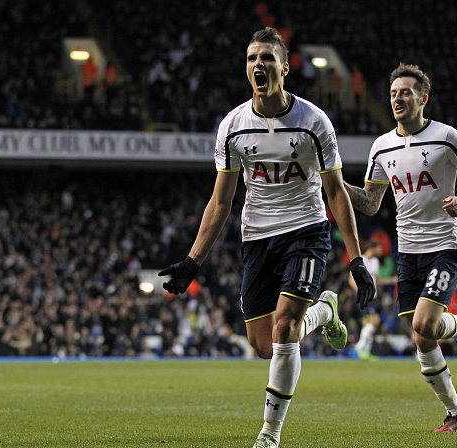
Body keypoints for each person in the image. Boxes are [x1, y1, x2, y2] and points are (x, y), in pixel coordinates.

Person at [158, 27, 375, 448]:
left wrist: (356, 259)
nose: (259, 65)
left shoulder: (314, 122)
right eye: (252, 58)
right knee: (263, 345)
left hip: (307, 230)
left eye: (267, 58)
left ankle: (269, 434)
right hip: (257, 236)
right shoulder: (233, 127)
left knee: (285, 326)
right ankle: (326, 312)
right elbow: (221, 203)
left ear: (284, 67)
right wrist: (192, 261)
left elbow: (335, 192)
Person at [344, 63, 457, 433]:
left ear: (423, 98)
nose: (398, 99)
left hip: (444, 244)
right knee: (420, 334)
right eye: (393, 93)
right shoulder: (381, 146)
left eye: (406, 92)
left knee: (424, 323)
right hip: (407, 252)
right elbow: (371, 202)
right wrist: (331, 182)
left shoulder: (446, 137)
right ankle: (456, 412)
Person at [348, 238, 397, 360]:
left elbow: (377, 280)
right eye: (379, 248)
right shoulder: (361, 260)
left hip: (373, 297)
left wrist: (391, 280)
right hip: (364, 296)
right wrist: (361, 292)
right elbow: (351, 280)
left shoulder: (375, 262)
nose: (381, 251)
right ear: (372, 248)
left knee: (369, 324)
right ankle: (359, 347)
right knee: (374, 320)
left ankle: (365, 352)